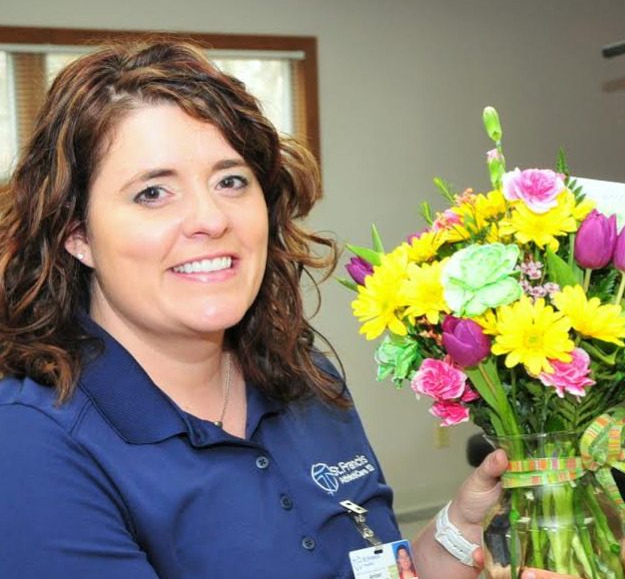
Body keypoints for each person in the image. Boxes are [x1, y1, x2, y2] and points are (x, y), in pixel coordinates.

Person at [0, 40, 506, 578]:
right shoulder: (30, 443)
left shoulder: (303, 378)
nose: (211, 218)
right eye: (152, 193)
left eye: (230, 181)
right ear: (77, 234)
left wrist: (462, 528)